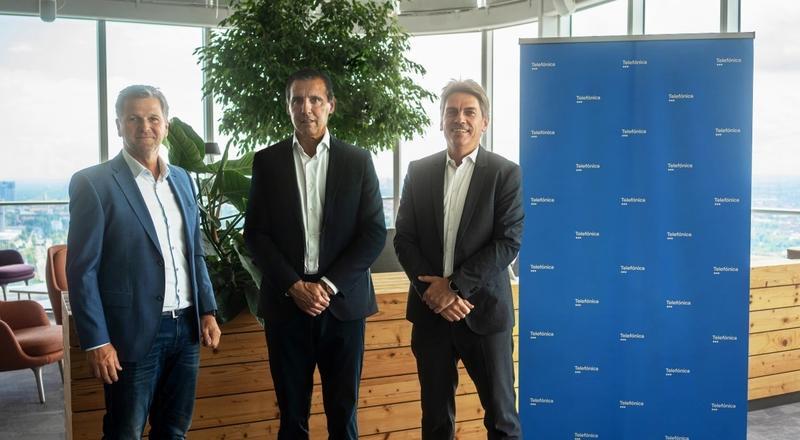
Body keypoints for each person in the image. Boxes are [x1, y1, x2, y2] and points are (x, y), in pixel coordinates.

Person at [66, 85, 221, 439]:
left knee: (174, 431)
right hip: (131, 334)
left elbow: (193, 251)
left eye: (153, 118)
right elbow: (82, 271)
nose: (144, 126)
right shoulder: (93, 183)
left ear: (166, 125)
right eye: (133, 119)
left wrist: (207, 311)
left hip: (186, 329)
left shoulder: (182, 179)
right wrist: (96, 341)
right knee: (125, 433)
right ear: (118, 125)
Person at [244, 68, 386, 439]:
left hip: (343, 306)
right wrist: (294, 285)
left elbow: (373, 233)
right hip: (286, 305)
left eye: (315, 100)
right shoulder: (268, 162)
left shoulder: (357, 161)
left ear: (330, 105)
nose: (306, 108)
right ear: (288, 106)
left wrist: (327, 285)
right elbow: (255, 235)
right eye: (297, 100)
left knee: (343, 415)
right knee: (292, 417)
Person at [394, 79, 524, 439]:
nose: (459, 119)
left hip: (485, 312)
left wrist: (453, 288)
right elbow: (404, 238)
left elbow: (508, 242)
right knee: (436, 422)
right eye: (451, 111)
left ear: (485, 122)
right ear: (441, 120)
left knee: (502, 420)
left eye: (469, 112)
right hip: (431, 315)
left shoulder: (504, 173)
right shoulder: (419, 171)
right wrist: (433, 293)